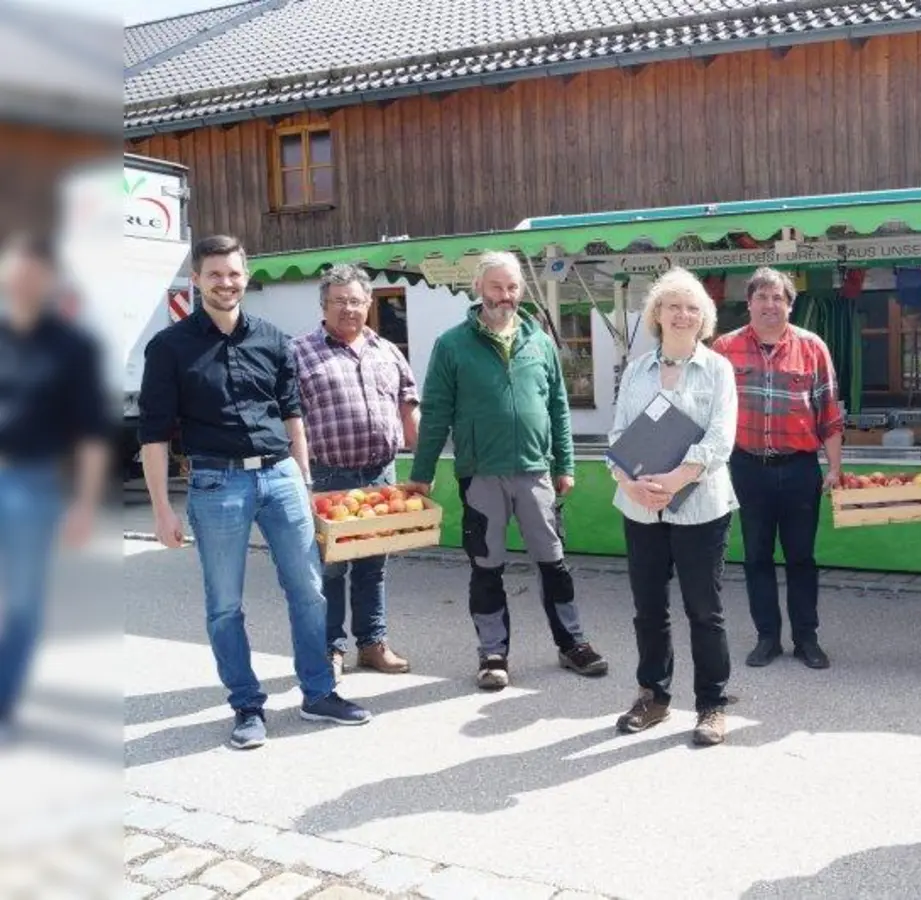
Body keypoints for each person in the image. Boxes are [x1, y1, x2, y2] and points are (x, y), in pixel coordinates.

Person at [140, 235, 371, 750]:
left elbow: (292, 414)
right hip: (216, 482)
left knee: (309, 590)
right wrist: (161, 510)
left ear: (246, 278)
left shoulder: (273, 339)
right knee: (225, 604)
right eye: (215, 274)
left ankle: (318, 693)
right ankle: (247, 705)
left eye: (234, 274)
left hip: (280, 475)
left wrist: (303, 482)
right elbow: (153, 435)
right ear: (197, 280)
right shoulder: (170, 347)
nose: (226, 283)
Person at [405, 251, 608, 689]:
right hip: (480, 474)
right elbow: (436, 412)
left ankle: (572, 643)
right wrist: (422, 472)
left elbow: (558, 407)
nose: (505, 295)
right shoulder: (452, 344)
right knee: (486, 566)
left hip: (536, 472)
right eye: (496, 286)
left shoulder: (540, 342)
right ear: (478, 288)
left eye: (512, 287)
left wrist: (566, 463)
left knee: (554, 563)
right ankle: (493, 653)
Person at [607, 269, 739, 745]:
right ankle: (654, 697)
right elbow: (618, 434)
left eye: (692, 307)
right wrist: (629, 482)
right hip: (641, 507)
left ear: (704, 317)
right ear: (657, 314)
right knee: (648, 609)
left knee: (704, 609)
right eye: (673, 306)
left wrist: (678, 478)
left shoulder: (718, 369)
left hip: (700, 506)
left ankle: (711, 705)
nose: (683, 314)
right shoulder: (636, 370)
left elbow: (721, 436)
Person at [0, 234, 109, 739]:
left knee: (22, 603)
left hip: (32, 484)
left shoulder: (72, 346)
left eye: (33, 272)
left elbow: (91, 433)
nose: (23, 280)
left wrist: (85, 505)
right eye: (15, 269)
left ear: (48, 280)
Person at [711, 267, 845, 670]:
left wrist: (834, 467)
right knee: (756, 556)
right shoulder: (724, 348)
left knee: (801, 558)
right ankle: (767, 638)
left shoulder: (812, 347)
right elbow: (710, 411)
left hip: (800, 469)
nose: (770, 305)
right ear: (749, 302)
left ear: (790, 304)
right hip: (747, 467)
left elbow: (829, 412)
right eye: (762, 297)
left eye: (778, 298)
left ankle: (807, 639)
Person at [290, 265, 419, 681]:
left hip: (380, 475)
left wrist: (422, 463)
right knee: (330, 568)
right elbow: (288, 420)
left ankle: (372, 644)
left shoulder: (387, 349)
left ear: (368, 304)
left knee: (373, 566)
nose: (349, 308)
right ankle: (330, 648)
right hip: (327, 476)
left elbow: (408, 404)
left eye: (356, 300)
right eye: (339, 301)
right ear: (323, 305)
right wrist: (299, 477)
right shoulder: (298, 352)